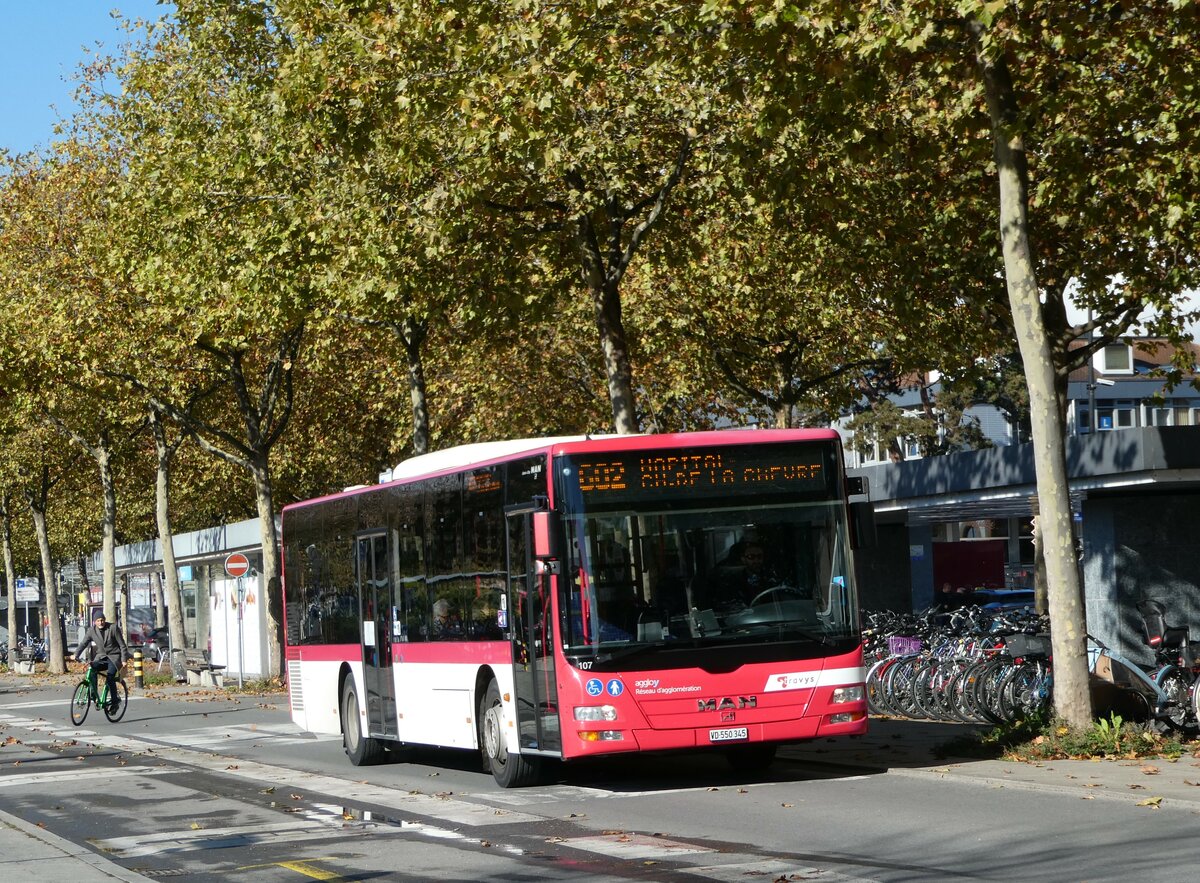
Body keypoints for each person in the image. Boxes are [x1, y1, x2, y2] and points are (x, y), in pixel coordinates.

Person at [72, 612, 131, 706]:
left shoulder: (113, 628)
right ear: (94, 622)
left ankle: (115, 701)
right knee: (92, 669)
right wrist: (76, 654)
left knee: (110, 677)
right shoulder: (91, 631)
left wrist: (124, 660)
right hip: (101, 657)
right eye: (98, 621)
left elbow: (122, 645)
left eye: (102, 620)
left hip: (114, 657)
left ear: (105, 619)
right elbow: (83, 643)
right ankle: (93, 694)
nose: (100, 622)